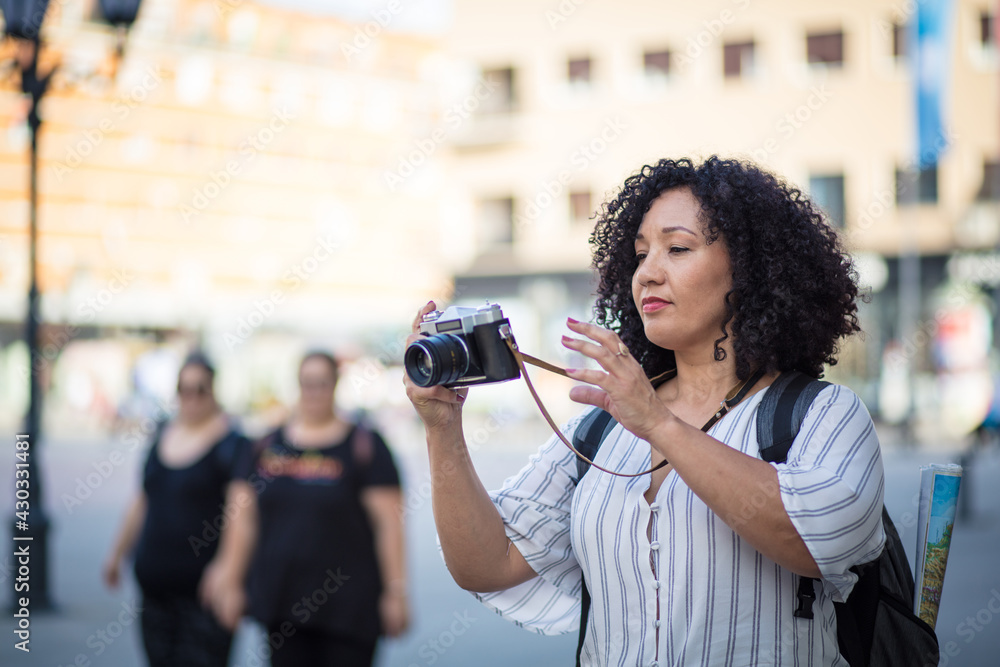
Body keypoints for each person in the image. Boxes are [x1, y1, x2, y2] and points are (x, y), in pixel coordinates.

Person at [404, 157, 885, 666]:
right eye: (639, 254)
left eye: (677, 248)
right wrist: (442, 427)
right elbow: (487, 564)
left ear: (750, 269)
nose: (648, 273)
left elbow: (818, 542)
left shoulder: (821, 413)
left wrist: (657, 422)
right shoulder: (600, 425)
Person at [246, 351, 408, 667]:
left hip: (349, 611)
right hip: (284, 605)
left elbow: (390, 525)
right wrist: (229, 575)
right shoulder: (269, 445)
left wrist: (396, 592)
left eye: (322, 383)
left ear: (335, 385)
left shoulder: (365, 446)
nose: (314, 391)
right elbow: (245, 519)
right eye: (307, 383)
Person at [104, 351, 254, 667]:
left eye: (200, 389)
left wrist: (229, 571)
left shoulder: (233, 443)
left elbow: (241, 514)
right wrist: (116, 553)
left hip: (204, 594)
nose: (192, 398)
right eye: (184, 390)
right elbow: (142, 499)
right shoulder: (162, 436)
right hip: (155, 587)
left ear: (213, 391)